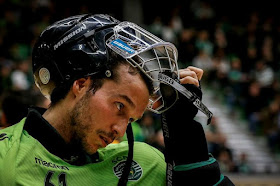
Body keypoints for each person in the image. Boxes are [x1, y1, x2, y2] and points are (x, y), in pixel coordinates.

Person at [0, 14, 234, 185]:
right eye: (120, 106)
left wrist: (186, 137)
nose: (120, 132)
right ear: (81, 84)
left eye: (132, 119)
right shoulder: (5, 157)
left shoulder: (144, 164)